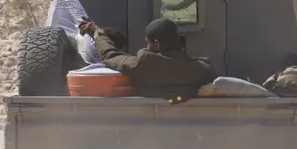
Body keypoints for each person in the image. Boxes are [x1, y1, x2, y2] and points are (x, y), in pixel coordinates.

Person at [78, 17, 215, 103]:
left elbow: (111, 56)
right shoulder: (204, 70)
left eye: (148, 42)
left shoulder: (147, 63)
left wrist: (98, 33)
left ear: (157, 44)